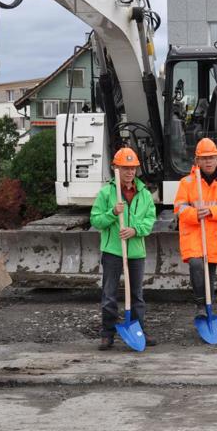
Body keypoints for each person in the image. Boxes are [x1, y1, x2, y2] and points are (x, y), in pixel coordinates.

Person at [89, 147, 157, 350]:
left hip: (136, 252)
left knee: (136, 295)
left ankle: (139, 330)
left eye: (132, 168)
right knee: (109, 294)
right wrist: (112, 212)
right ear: (115, 169)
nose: (129, 172)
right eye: (125, 168)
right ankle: (107, 333)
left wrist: (135, 230)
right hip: (113, 251)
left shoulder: (144, 194)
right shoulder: (106, 193)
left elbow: (150, 219)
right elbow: (95, 220)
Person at [174, 138, 217, 317]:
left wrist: (211, 211)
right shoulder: (187, 182)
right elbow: (179, 207)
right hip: (194, 232)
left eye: (211, 157)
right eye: (204, 158)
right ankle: (200, 304)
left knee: (209, 271)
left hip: (214, 234)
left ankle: (208, 306)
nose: (208, 161)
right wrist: (195, 214)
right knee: (196, 265)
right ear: (197, 161)